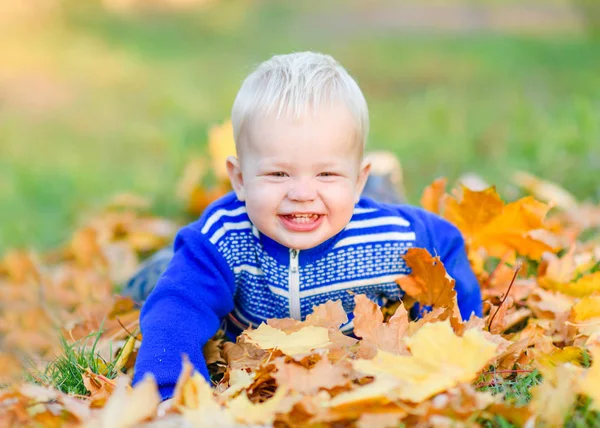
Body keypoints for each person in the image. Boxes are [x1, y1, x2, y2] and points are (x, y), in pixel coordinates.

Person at [131, 51, 483, 400]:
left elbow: (445, 248)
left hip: (361, 206)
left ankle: (382, 182)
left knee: (374, 202)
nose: (301, 193)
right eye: (278, 173)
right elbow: (176, 309)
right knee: (160, 277)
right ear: (239, 179)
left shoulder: (390, 237)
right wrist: (170, 393)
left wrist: (447, 340)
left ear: (357, 180)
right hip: (207, 264)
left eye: (326, 173)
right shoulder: (224, 238)